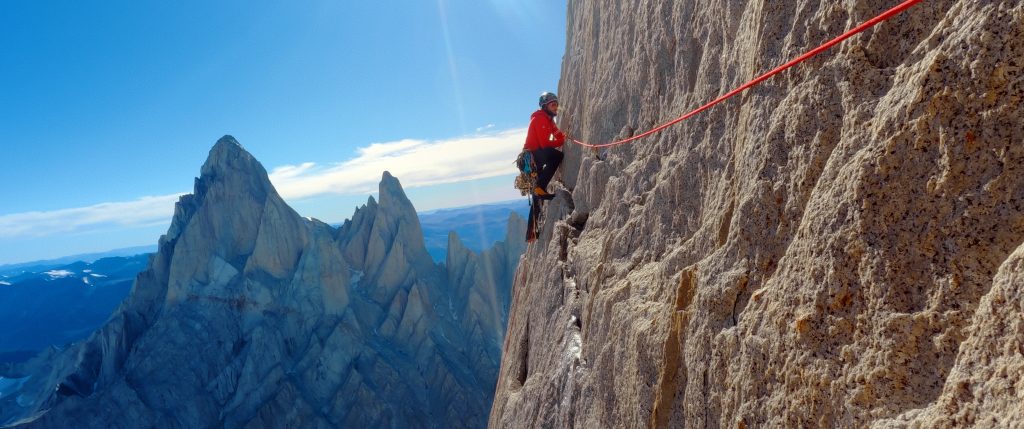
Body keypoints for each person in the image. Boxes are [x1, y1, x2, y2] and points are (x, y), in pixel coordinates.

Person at [523, 92, 564, 200]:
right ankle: (540, 188)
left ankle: (539, 190)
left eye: (556, 104)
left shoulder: (548, 119)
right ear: (545, 106)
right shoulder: (540, 119)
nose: (556, 107)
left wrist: (563, 137)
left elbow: (556, 133)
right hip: (532, 156)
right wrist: (561, 141)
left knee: (537, 196)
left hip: (535, 155)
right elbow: (545, 144)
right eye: (553, 105)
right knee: (557, 156)